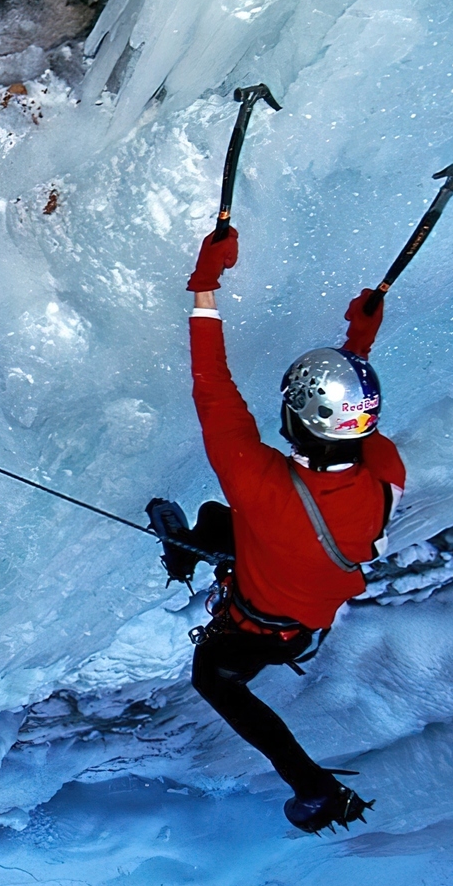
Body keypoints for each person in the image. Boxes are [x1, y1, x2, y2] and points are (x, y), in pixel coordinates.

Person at [163, 226, 406, 833]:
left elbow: (213, 384)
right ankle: (185, 552)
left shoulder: (257, 481)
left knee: (212, 675)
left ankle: (315, 787)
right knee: (222, 522)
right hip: (298, 625)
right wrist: (358, 349)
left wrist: (204, 284)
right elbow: (351, 428)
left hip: (255, 620)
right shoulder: (384, 476)